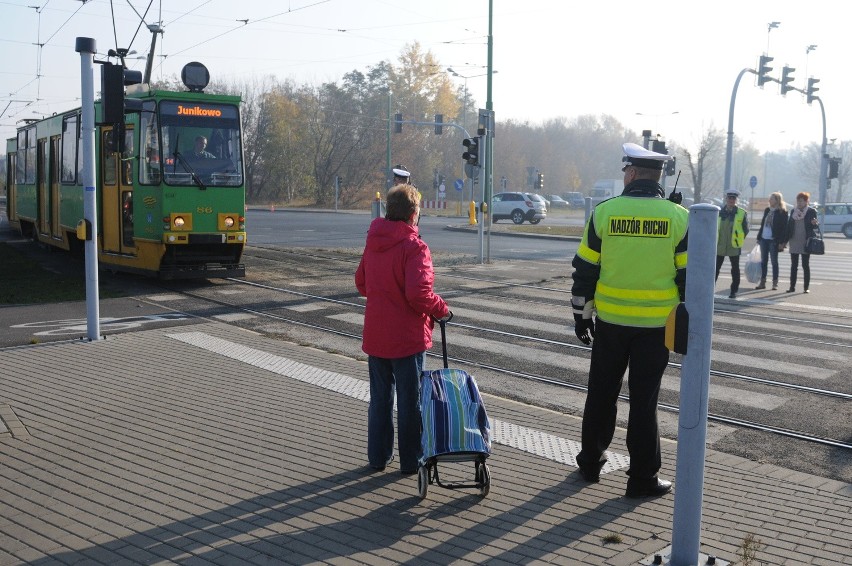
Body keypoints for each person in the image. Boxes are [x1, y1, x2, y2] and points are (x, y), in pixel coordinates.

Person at [571, 143, 688, 498]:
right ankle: (642, 480)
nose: (624, 175)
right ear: (659, 177)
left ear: (633, 174)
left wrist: (581, 315)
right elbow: (688, 279)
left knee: (601, 394)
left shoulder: (605, 213)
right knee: (644, 403)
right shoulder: (679, 217)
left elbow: (585, 269)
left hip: (610, 324)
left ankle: (591, 462)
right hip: (656, 329)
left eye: (625, 171)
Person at [355, 182, 449, 475]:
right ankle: (411, 461)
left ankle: (378, 457)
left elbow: (361, 283)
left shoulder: (374, 240)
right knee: (410, 404)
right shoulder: (414, 246)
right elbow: (418, 294)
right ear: (413, 214)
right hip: (406, 339)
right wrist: (441, 309)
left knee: (380, 400)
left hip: (376, 335)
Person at [714, 189, 749, 299]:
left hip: (734, 245)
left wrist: (739, 239)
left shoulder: (742, 213)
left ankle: (733, 291)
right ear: (726, 199)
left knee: (735, 269)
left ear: (736, 200)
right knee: (715, 269)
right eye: (729, 198)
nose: (731, 200)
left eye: (733, 198)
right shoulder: (719, 212)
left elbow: (745, 229)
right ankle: (710, 290)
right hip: (720, 245)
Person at [754, 191, 789, 290]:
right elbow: (762, 225)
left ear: (777, 200)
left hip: (773, 240)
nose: (769, 200)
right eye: (770, 198)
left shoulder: (782, 212)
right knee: (763, 261)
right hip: (764, 239)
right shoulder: (767, 210)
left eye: (772, 198)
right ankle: (762, 282)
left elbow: (784, 229)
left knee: (774, 262)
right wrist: (759, 238)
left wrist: (781, 242)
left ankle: (775, 283)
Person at [786, 191, 819, 293]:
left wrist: (815, 223)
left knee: (805, 265)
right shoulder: (793, 211)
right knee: (793, 266)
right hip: (794, 241)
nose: (799, 203)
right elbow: (789, 227)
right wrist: (784, 240)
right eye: (798, 201)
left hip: (806, 241)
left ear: (806, 202)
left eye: (801, 201)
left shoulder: (811, 211)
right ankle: (792, 287)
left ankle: (806, 288)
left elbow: (815, 226)